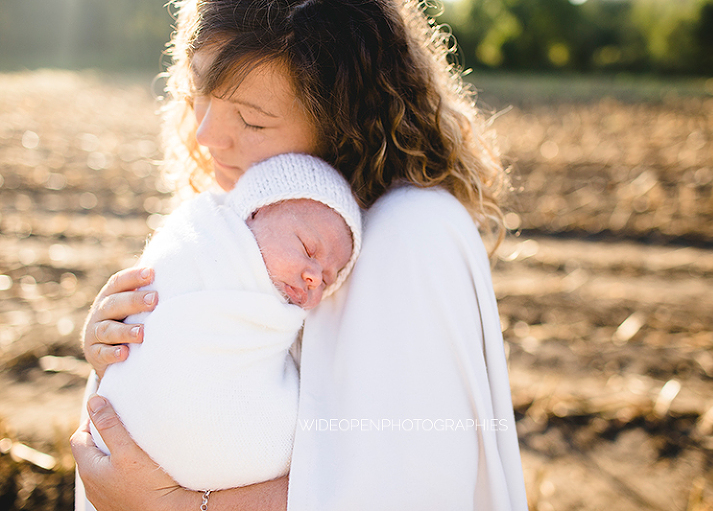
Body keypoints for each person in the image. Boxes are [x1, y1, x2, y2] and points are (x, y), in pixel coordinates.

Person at [70, 1, 529, 510]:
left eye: (251, 120)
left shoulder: (410, 231)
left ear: (344, 123)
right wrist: (129, 354)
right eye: (198, 90)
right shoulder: (251, 218)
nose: (205, 135)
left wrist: (175, 506)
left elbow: (407, 485)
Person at [89, 153, 362, 497]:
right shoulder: (198, 241)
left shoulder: (292, 316)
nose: (313, 278)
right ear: (257, 210)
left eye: (328, 278)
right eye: (308, 248)